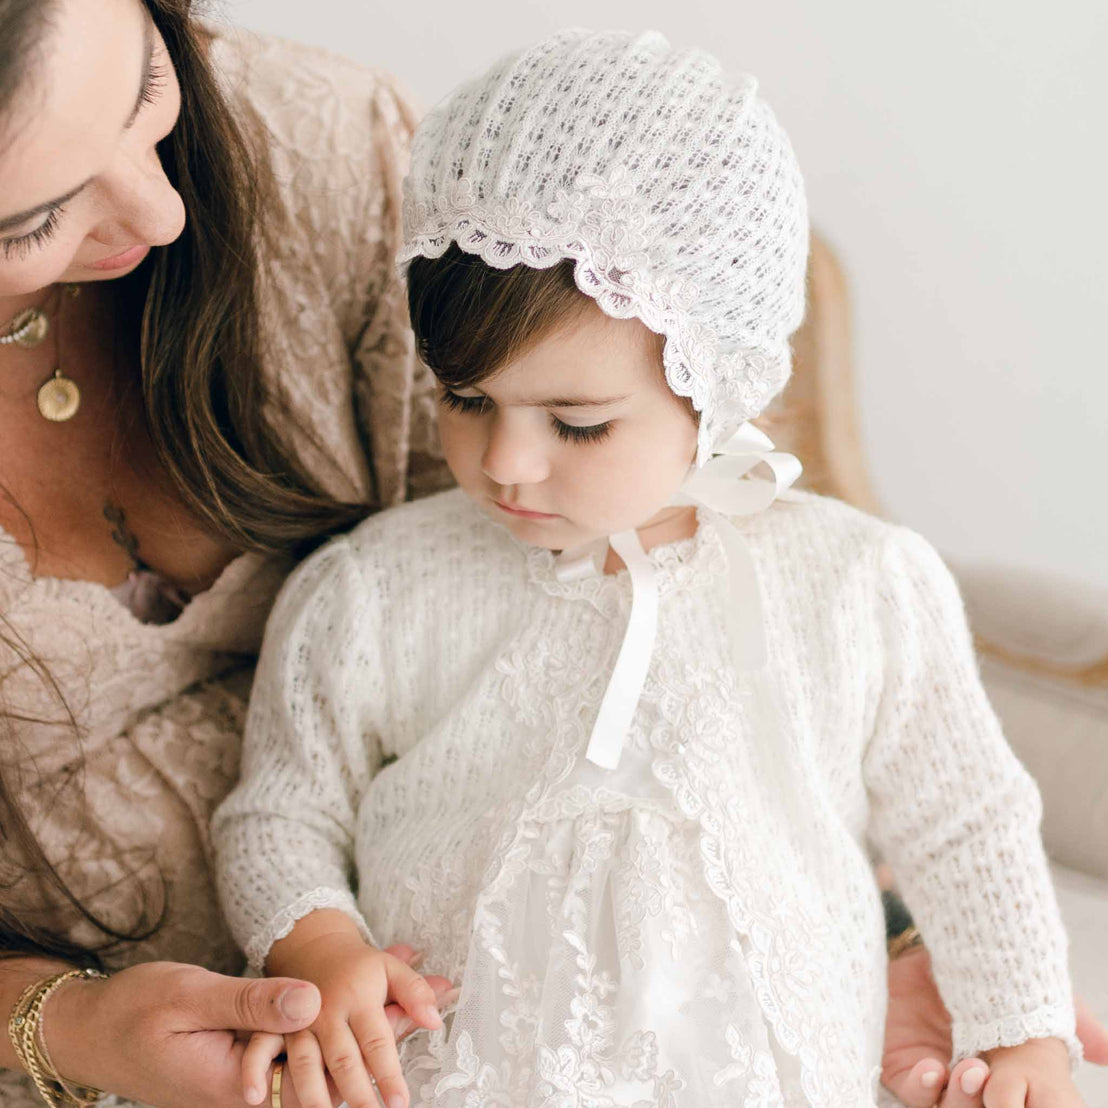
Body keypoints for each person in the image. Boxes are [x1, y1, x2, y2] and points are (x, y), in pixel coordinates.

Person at [2, 4, 1104, 1107]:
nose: (507, 464)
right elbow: (280, 811)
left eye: (577, 423)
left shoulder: (858, 582)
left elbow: (966, 821)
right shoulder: (373, 588)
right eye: (466, 400)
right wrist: (319, 941)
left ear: (715, 388)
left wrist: (1024, 1031)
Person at [0, 1, 452, 1106]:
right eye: (31, 221)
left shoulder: (325, 145)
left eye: (147, 92)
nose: (159, 211)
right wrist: (68, 1026)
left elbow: (611, 551)